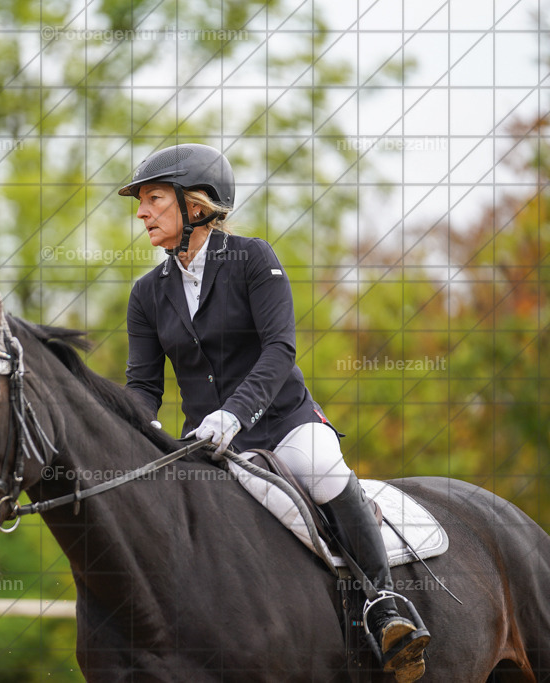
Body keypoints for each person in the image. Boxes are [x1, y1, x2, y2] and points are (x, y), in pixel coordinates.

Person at [119, 143, 430, 681]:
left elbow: (279, 350)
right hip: (206, 443)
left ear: (196, 206)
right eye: (141, 203)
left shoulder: (254, 259)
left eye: (152, 199)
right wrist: (136, 430)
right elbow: (144, 385)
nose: (141, 212)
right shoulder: (147, 294)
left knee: (323, 471)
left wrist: (235, 414)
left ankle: (384, 605)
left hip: (283, 422)